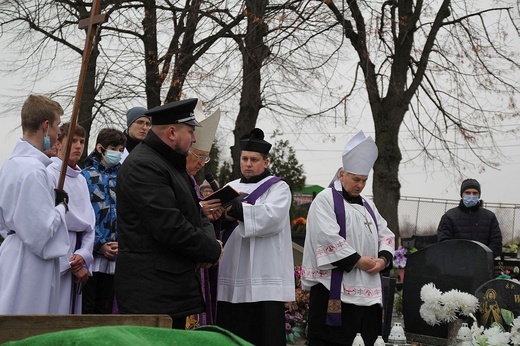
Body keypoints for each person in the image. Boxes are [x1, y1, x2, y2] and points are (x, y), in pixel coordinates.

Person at [114, 98, 222, 329]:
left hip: (172, 289)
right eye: (191, 131)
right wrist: (210, 249)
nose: (194, 139)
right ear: (172, 132)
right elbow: (169, 226)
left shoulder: (170, 164)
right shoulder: (144, 166)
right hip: (152, 293)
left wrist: (209, 242)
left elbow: (197, 213)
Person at [301, 130, 395, 346]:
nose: (360, 185)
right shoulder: (325, 200)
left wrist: (382, 259)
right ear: (342, 174)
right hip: (332, 289)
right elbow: (325, 236)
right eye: (356, 179)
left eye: (364, 180)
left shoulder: (368, 205)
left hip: (367, 289)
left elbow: (386, 233)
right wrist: (358, 261)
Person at [216, 128, 295, 346]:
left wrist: (236, 211)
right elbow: (217, 222)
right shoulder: (229, 187)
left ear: (266, 162)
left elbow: (272, 217)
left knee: (264, 335)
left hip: (265, 273)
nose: (248, 164)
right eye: (244, 158)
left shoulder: (278, 187)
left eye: (254, 159)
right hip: (232, 272)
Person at [0, 94, 69, 314]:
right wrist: (61, 206)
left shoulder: (11, 164)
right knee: (30, 320)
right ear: (46, 126)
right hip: (30, 263)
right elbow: (41, 231)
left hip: (14, 249)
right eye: (57, 125)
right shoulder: (33, 170)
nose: (59, 133)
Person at [47, 122, 96, 314]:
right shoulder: (49, 173)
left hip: (77, 254)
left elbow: (90, 224)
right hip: (59, 257)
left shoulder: (82, 179)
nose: (78, 146)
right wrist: (69, 262)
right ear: (58, 143)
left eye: (82, 142)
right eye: (72, 140)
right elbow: (49, 224)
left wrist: (83, 255)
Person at [184, 108, 223, 328]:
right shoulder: (173, 178)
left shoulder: (191, 182)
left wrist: (214, 216)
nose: (202, 163)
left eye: (205, 158)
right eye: (198, 156)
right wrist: (201, 210)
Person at [81, 128, 126, 314]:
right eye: (113, 148)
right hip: (92, 254)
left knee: (106, 309)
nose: (117, 152)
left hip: (117, 253)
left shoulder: (125, 177)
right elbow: (84, 215)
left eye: (121, 149)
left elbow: (129, 213)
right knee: (88, 307)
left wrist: (121, 243)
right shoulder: (85, 176)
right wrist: (99, 244)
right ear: (100, 148)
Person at [437, 178, 502, 257]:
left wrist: (483, 258)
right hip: (457, 264)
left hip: (482, 264)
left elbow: (496, 243)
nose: (471, 195)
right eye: (467, 192)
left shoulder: (490, 217)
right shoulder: (449, 216)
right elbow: (444, 243)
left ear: (479, 195)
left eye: (475, 193)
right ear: (462, 194)